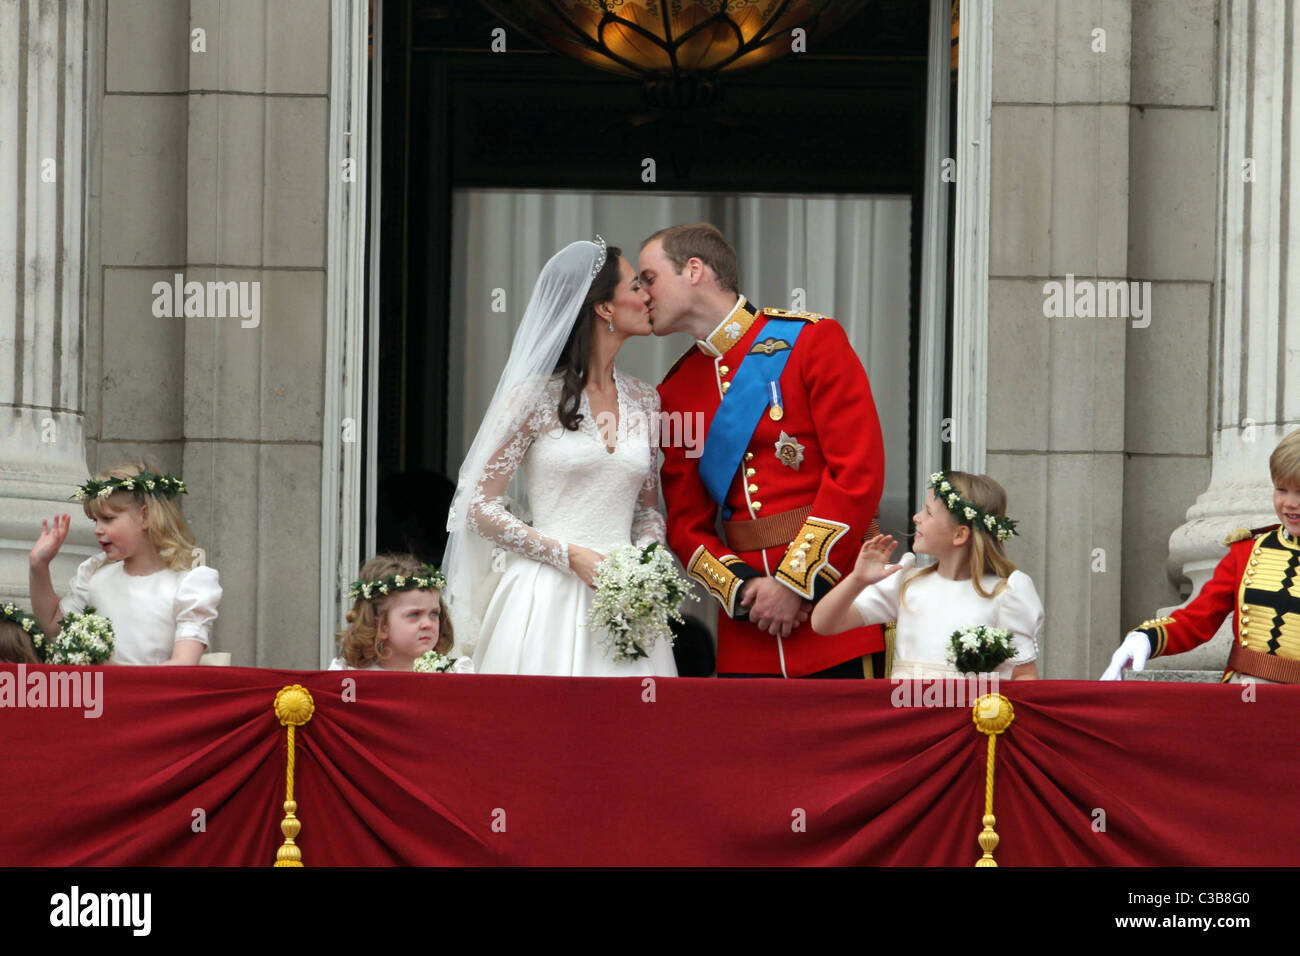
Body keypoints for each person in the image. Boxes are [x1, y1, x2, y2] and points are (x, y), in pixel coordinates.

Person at [643, 222, 886, 678]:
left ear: (693, 270)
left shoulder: (812, 341)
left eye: (650, 278)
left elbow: (859, 473)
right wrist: (744, 589)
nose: (642, 294)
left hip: (837, 611)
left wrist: (796, 583)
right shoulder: (675, 391)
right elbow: (684, 524)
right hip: (749, 629)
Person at [443, 238, 677, 677]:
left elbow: (648, 512)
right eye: (634, 286)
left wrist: (644, 562)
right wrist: (568, 555)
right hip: (545, 595)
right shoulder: (532, 398)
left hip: (629, 603)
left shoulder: (646, 401)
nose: (647, 296)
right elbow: (477, 507)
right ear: (604, 308)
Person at [1102, 428, 1300, 683]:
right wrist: (1146, 638)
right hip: (1246, 700)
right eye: (1281, 490)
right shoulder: (1248, 552)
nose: (1290, 503)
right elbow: (1197, 619)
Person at [812, 471, 1041, 680]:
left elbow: (1024, 676)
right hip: (908, 718)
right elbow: (823, 624)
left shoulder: (1006, 592)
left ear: (959, 535)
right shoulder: (907, 582)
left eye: (928, 512)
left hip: (970, 722)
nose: (916, 517)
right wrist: (857, 581)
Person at [27, 462, 221, 665]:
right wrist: (38, 565)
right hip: (103, 694)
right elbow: (51, 625)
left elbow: (183, 664)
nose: (97, 530)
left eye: (108, 519)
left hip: (157, 694)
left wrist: (118, 677)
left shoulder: (188, 583)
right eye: (95, 521)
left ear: (144, 516)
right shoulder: (95, 576)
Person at [330, 554, 470, 671]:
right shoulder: (349, 678)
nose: (427, 624)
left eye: (434, 614)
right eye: (414, 614)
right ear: (380, 624)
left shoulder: (455, 673)